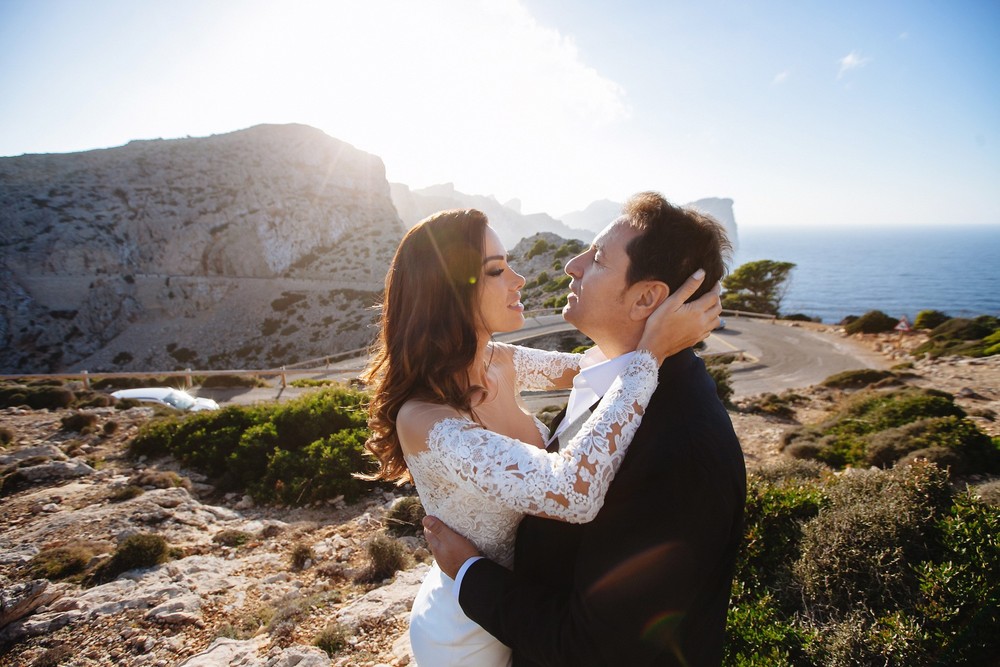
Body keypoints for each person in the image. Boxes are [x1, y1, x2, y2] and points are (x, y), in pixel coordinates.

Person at [360, 206, 722, 667]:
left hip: (523, 603)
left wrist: (665, 324)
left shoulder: (499, 361)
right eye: (496, 270)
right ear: (448, 290)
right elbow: (573, 492)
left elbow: (598, 367)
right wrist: (652, 352)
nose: (519, 279)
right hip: (468, 630)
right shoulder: (423, 419)